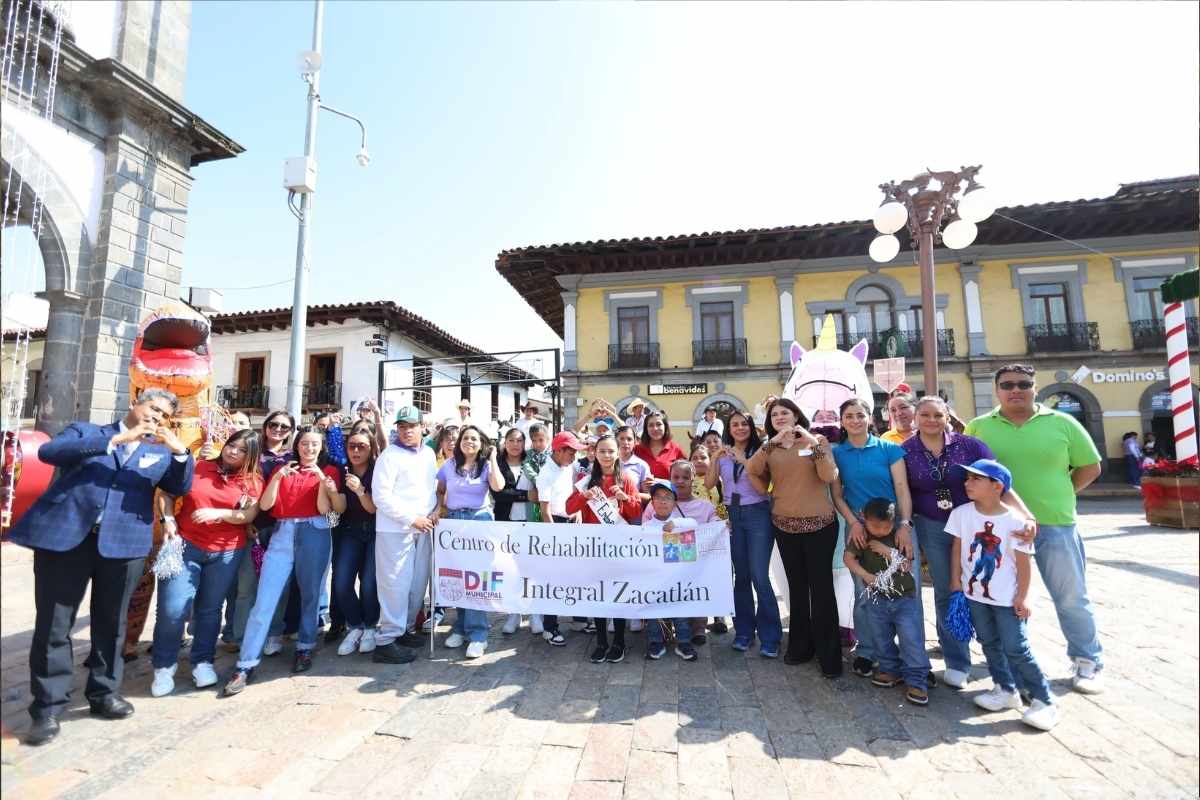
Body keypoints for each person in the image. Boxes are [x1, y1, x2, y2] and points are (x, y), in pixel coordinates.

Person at [11, 390, 194, 746]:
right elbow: (50, 452)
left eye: (164, 416)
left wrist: (180, 452)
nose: (156, 418)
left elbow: (179, 485)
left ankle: (104, 693)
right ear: (134, 404)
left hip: (123, 544)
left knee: (112, 623)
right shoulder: (85, 431)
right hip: (66, 540)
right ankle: (47, 708)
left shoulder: (158, 451)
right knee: (54, 624)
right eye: (153, 409)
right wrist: (118, 438)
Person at [965, 364, 1104, 693]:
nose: (1016, 390)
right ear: (997, 389)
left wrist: (1063, 492)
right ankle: (1008, 658)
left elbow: (1090, 467)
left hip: (1055, 524)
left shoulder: (1063, 423)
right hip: (998, 530)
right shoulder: (979, 427)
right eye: (1007, 384)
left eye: (1023, 384)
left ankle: (1087, 660)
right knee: (1000, 597)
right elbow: (970, 475)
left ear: (1034, 387)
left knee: (1070, 596)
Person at [901, 395, 1036, 690]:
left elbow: (1001, 483)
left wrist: (1026, 516)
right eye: (925, 415)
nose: (931, 420)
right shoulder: (906, 450)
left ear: (948, 417)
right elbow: (904, 491)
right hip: (934, 527)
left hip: (978, 524)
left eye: (938, 415)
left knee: (998, 587)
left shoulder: (969, 446)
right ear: (915, 418)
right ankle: (957, 660)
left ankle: (1008, 654)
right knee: (948, 589)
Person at [223, 426, 344, 694]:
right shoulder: (282, 468)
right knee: (264, 599)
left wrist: (322, 479)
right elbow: (266, 506)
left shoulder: (330, 472)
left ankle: (305, 647)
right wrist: (278, 478)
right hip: (282, 533)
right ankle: (246, 664)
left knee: (311, 594)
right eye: (304, 444)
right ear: (297, 445)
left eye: (314, 444)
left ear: (321, 447)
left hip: (315, 531)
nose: (309, 449)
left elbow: (325, 509)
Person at [947, 459, 1059, 731]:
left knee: (1016, 648)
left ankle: (1044, 701)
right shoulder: (961, 513)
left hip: (1006, 598)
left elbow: (1022, 563)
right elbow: (957, 548)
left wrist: (1023, 597)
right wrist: (955, 582)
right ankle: (1005, 689)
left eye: (976, 479)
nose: (967, 483)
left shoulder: (1016, 521)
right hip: (975, 595)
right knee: (988, 642)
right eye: (967, 478)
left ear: (997, 486)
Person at [150, 430, 263, 696]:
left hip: (226, 552)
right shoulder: (198, 466)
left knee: (210, 610)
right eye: (231, 445)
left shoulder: (254, 481)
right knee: (172, 608)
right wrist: (168, 520)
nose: (233, 451)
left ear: (251, 456)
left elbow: (249, 514)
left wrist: (219, 513)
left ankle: (202, 661)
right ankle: (163, 667)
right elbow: (166, 495)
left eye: (241, 450)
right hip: (186, 545)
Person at [747, 399, 840, 671]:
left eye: (784, 412)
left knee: (821, 590)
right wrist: (771, 442)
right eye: (774, 414)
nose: (778, 417)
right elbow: (752, 469)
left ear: (796, 415)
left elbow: (829, 474)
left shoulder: (817, 441)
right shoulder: (770, 447)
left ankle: (829, 655)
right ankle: (800, 647)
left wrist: (811, 441)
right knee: (796, 589)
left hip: (820, 525)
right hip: (784, 525)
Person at [830, 397, 914, 680]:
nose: (854, 420)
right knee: (864, 589)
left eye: (859, 415)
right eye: (848, 415)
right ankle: (868, 650)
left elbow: (902, 489)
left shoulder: (889, 449)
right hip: (857, 525)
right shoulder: (837, 453)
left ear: (870, 418)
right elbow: (837, 495)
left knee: (901, 586)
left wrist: (904, 524)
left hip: (892, 525)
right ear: (842, 421)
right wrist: (854, 522)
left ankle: (908, 653)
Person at [843, 498, 930, 705]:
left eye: (886, 525)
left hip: (904, 599)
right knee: (881, 637)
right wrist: (865, 575)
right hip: (877, 598)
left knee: (910, 639)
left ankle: (917, 680)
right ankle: (890, 670)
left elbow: (906, 566)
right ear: (864, 518)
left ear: (894, 521)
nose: (881, 530)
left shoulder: (899, 537)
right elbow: (848, 558)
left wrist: (887, 551)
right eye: (876, 525)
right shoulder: (861, 536)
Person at [564, 434, 643, 663]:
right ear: (594, 454)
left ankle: (618, 641)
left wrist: (625, 497)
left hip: (617, 547)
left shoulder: (626, 479)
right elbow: (569, 507)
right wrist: (584, 497)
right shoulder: (587, 480)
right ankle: (600, 641)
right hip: (594, 547)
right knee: (598, 594)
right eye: (602, 451)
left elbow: (636, 512)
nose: (607, 455)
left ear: (618, 453)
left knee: (617, 593)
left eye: (611, 451)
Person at [370, 406, 439, 664]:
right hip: (395, 530)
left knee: (416, 585)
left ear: (422, 427)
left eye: (412, 425)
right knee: (395, 585)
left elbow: (431, 487)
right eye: (402, 426)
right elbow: (381, 497)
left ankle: (405, 629)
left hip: (424, 528)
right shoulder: (389, 456)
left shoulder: (429, 453)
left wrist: (434, 510)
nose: (407, 430)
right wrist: (412, 519)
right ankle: (386, 639)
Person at [709, 410, 778, 654]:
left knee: (760, 575)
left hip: (758, 513)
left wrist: (744, 461)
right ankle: (744, 632)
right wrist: (715, 458)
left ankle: (770, 636)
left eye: (744, 424)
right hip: (733, 515)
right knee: (741, 577)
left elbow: (764, 489)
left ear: (751, 427)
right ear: (729, 428)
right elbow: (709, 483)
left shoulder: (762, 451)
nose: (740, 428)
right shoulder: (724, 454)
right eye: (735, 424)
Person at [436, 425, 506, 659]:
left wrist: (494, 457)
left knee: (476, 579)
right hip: (455, 521)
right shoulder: (448, 465)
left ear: (481, 443)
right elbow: (440, 489)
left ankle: (478, 635)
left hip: (479, 521)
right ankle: (461, 626)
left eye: (474, 439)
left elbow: (498, 486)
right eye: (466, 438)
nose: (469, 442)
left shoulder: (486, 466)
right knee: (458, 578)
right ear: (459, 443)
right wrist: (438, 509)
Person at [230, 411, 294, 654]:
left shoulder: (291, 457)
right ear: (265, 427)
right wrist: (246, 521)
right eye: (274, 424)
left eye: (284, 427)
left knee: (279, 584)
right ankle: (240, 636)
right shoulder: (252, 453)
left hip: (280, 526)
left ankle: (274, 633)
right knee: (246, 585)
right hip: (252, 525)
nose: (278, 429)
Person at [533, 431, 590, 645]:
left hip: (569, 522)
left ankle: (579, 619)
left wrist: (576, 511)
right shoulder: (545, 474)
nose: (574, 455)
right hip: (555, 526)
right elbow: (545, 510)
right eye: (571, 451)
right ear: (559, 450)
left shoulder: (567, 467)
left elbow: (571, 494)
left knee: (576, 575)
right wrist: (554, 538)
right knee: (554, 579)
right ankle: (550, 627)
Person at [332, 431, 380, 656]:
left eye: (362, 446)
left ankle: (370, 626)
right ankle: (355, 625)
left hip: (375, 531)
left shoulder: (377, 471)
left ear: (371, 448)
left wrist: (360, 490)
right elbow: (337, 508)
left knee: (370, 583)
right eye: (352, 446)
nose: (356, 451)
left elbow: (372, 508)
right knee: (341, 582)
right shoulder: (341, 471)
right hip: (350, 531)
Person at [641, 480, 700, 661]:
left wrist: (676, 524)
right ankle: (655, 642)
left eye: (667, 497)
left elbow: (695, 525)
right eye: (658, 497)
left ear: (675, 502)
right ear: (652, 502)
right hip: (654, 580)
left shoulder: (682, 522)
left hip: (678, 580)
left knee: (680, 612)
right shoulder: (646, 527)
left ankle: (683, 642)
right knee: (653, 613)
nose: (663, 501)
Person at [493, 427, 534, 635]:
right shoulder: (498, 464)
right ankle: (514, 613)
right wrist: (524, 495)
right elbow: (499, 494)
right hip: (506, 522)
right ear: (505, 442)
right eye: (511, 440)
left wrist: (516, 494)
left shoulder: (531, 462)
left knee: (531, 568)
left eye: (519, 440)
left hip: (530, 521)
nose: (515, 444)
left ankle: (534, 612)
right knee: (511, 569)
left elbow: (539, 489)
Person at [633, 410, 687, 488]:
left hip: (669, 498)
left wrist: (660, 482)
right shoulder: (637, 450)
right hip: (642, 498)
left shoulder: (676, 449)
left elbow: (685, 476)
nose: (655, 428)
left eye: (659, 424)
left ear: (665, 426)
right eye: (651, 425)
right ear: (646, 429)